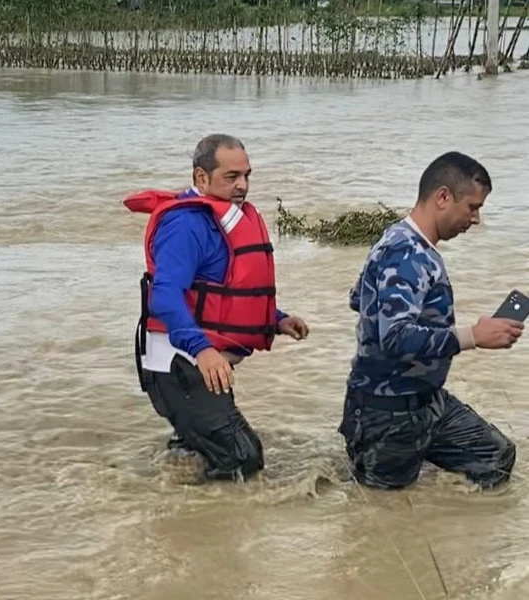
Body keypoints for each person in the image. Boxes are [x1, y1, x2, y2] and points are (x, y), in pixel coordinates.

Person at [123, 134, 309, 482]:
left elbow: (222, 292)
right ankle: (201, 527)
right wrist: (203, 350)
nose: (242, 186)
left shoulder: (223, 219)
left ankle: (173, 488)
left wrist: (277, 319)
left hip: (202, 362)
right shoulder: (185, 225)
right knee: (243, 459)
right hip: (180, 364)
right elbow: (164, 297)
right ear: (200, 178)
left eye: (247, 176)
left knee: (201, 449)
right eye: (231, 177)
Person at [339, 151, 521, 491]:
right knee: (383, 514)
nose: (476, 219)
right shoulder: (405, 252)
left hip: (428, 401)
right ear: (442, 197)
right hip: (388, 414)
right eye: (472, 207)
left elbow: (357, 298)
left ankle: (453, 530)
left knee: (495, 455)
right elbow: (395, 337)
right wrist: (473, 336)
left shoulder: (405, 244)